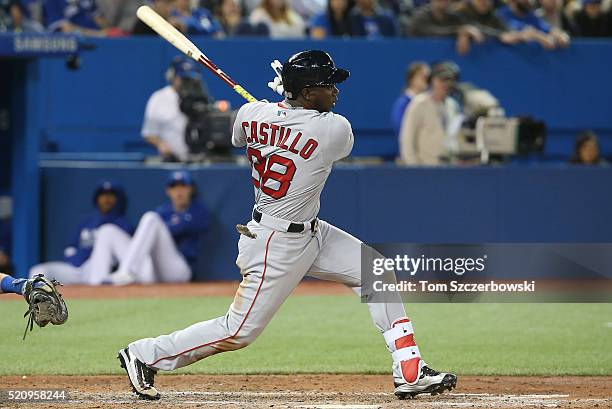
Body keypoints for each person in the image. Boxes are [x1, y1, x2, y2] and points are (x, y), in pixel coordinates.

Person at [117, 50, 456, 401]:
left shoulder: (250, 113)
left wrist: (275, 109)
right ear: (308, 93)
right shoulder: (334, 130)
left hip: (310, 230)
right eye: (328, 85)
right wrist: (281, 109)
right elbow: (304, 126)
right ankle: (145, 354)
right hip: (274, 242)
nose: (336, 92)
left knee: (376, 270)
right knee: (239, 331)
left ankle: (409, 370)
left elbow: (240, 133)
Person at [108, 170, 209, 285]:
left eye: (183, 186)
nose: (179, 191)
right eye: (174, 187)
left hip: (180, 270)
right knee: (110, 230)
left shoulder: (198, 210)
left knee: (151, 218)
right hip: (154, 269)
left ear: (190, 189)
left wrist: (163, 229)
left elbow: (184, 227)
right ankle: (125, 273)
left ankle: (126, 272)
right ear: (168, 191)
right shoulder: (162, 211)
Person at [28, 181, 133, 285]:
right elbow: (70, 248)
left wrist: (88, 254)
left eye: (111, 195)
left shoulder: (123, 224)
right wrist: (75, 258)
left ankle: (98, 293)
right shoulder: (87, 221)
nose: (106, 199)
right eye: (103, 195)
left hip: (96, 268)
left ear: (118, 199)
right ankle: (39, 299)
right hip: (76, 268)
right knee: (38, 271)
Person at [142, 56, 209, 162]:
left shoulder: (200, 98)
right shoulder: (159, 98)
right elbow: (148, 133)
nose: (187, 82)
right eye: (183, 78)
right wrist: (161, 145)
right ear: (173, 77)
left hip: (200, 160)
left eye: (190, 79)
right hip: (170, 160)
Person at [399, 61, 462, 166]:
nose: (445, 84)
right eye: (442, 79)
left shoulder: (453, 105)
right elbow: (407, 140)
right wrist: (414, 168)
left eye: (449, 80)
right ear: (432, 80)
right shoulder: (418, 103)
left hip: (449, 169)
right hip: (425, 169)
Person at [408, 0, 484, 55]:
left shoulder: (454, 17)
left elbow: (474, 30)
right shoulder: (419, 17)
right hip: (422, 59)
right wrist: (461, 31)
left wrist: (466, 34)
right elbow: (432, 33)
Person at [497, 0, 570, 48]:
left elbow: (546, 27)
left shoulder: (530, 15)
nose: (529, 1)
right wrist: (541, 37)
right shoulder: (502, 14)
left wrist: (560, 35)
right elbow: (522, 31)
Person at [453, 0, 523, 44]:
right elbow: (472, 27)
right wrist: (499, 35)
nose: (484, 2)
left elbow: (506, 31)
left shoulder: (491, 14)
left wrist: (519, 35)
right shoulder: (460, 10)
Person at [390, 62, 430, 138]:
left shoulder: (430, 103)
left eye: (428, 78)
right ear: (412, 78)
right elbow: (401, 130)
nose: (426, 80)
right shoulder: (402, 104)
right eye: (423, 76)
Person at [44, 0, 110, 36]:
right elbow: (66, 29)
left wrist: (110, 31)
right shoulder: (52, 1)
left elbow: (98, 18)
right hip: (76, 45)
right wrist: (98, 34)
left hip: (99, 41)